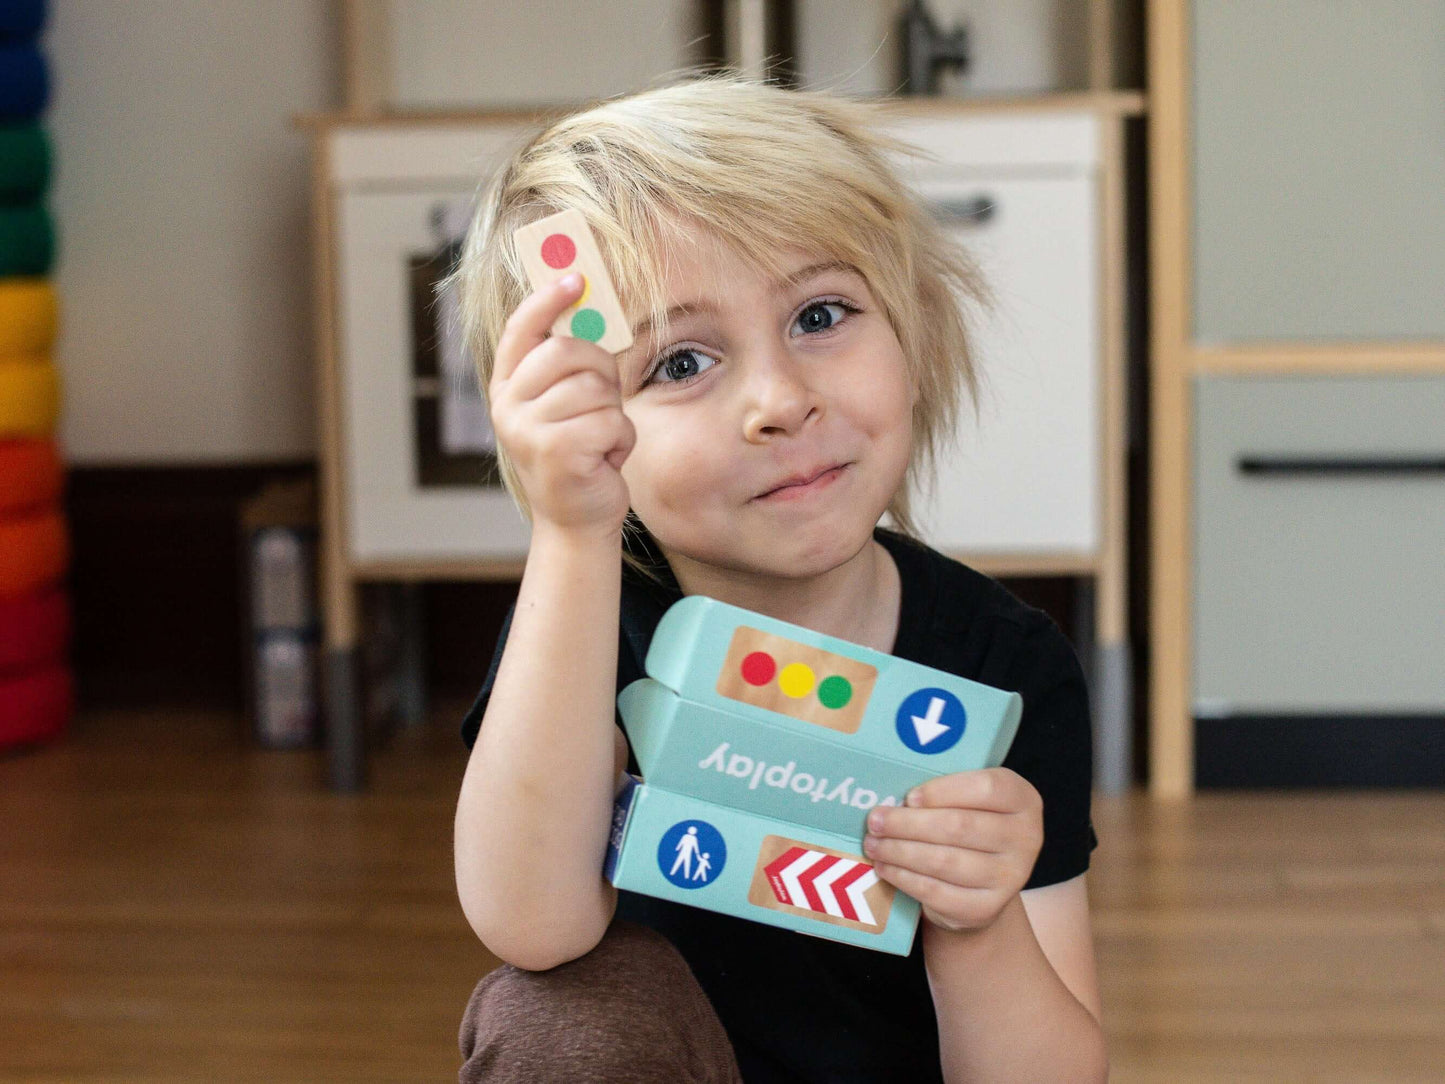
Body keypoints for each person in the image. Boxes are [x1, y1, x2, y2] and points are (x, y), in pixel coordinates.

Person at [448, 73, 1107, 1083]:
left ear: (913, 330)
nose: (779, 400)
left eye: (821, 313)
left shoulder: (1002, 664)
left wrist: (976, 925)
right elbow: (531, 923)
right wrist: (572, 534)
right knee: (554, 1012)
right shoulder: (587, 627)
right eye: (679, 364)